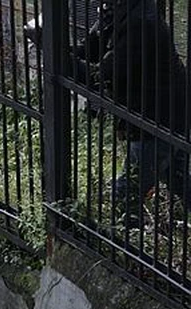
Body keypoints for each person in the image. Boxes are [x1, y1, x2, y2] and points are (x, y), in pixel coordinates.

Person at [26, 0, 190, 228]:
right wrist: (51, 43)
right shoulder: (117, 11)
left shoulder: (142, 24)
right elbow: (91, 50)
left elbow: (99, 76)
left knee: (125, 192)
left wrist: (53, 54)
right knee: (179, 180)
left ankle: (132, 251)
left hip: (159, 121)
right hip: (157, 116)